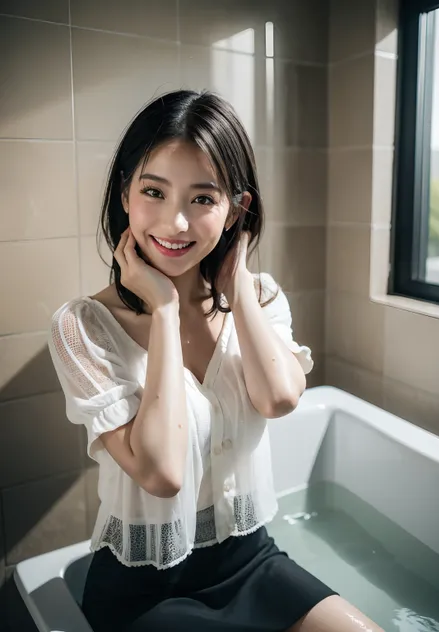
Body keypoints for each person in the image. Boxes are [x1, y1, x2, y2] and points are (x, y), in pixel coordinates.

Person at [48, 90, 383, 632]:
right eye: (153, 191)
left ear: (236, 209)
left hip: (252, 559)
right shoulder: (82, 327)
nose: (175, 222)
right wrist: (161, 310)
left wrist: (239, 285)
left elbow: (278, 397)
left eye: (203, 199)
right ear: (125, 194)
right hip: (145, 588)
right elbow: (161, 472)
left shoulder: (263, 299)